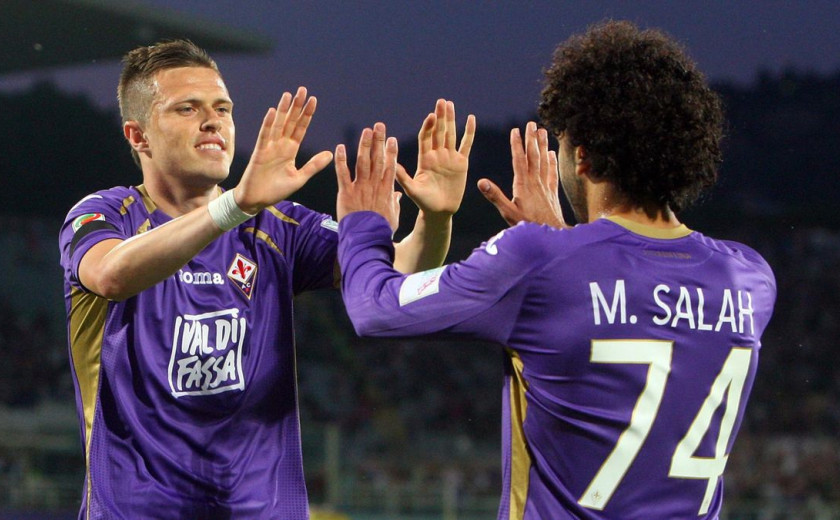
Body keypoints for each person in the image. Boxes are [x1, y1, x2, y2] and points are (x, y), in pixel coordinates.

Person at [335, 20, 776, 519]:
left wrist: (363, 223)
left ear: (582, 156)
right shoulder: (751, 280)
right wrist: (564, 240)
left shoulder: (538, 261)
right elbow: (641, 301)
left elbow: (374, 309)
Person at [58, 39, 475, 519]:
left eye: (222, 108)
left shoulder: (278, 226)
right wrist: (235, 205)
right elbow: (110, 274)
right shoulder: (106, 213)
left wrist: (435, 220)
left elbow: (397, 277)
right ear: (138, 136)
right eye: (187, 109)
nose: (212, 121)